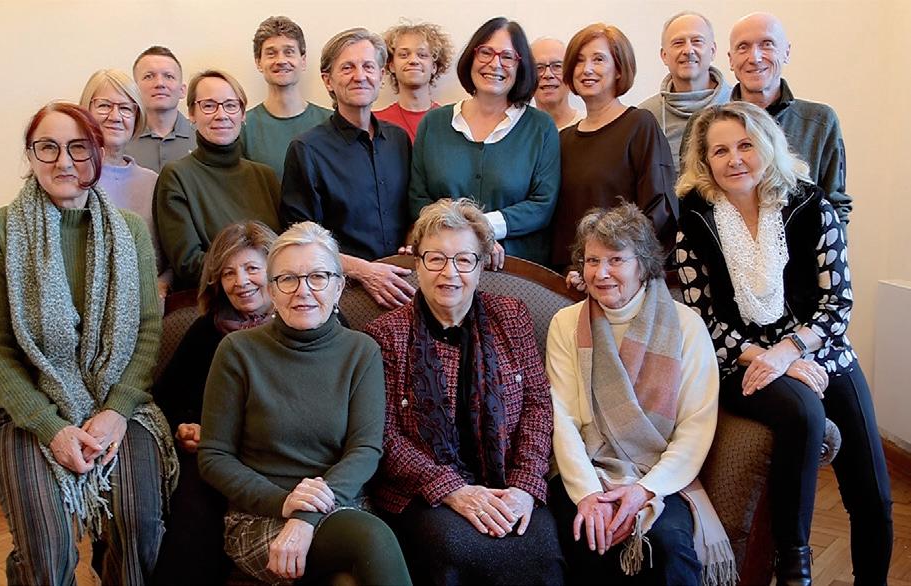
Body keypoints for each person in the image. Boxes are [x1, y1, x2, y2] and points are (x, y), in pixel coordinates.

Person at [675, 101, 892, 585]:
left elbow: (837, 303)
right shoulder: (693, 219)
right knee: (803, 411)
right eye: (720, 151)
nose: (735, 159)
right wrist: (772, 361)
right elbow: (702, 317)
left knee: (873, 492)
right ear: (704, 161)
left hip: (821, 351)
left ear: (768, 146)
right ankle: (794, 561)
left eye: (746, 145)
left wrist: (788, 353)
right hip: (740, 359)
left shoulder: (812, 206)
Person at [0, 102, 177, 585]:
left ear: (98, 153)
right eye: (48, 147)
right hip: (29, 410)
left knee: (140, 531)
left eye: (79, 148)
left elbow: (147, 330)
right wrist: (52, 428)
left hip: (117, 405)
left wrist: (117, 410)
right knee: (47, 550)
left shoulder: (130, 231)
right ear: (30, 155)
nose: (64, 161)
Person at [198, 222, 412, 585]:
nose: (303, 291)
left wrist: (305, 517)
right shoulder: (237, 351)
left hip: (343, 505)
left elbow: (365, 450)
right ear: (272, 289)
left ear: (338, 286)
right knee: (371, 540)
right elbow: (214, 457)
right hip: (260, 515)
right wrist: (286, 504)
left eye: (318, 277)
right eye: (288, 279)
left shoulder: (361, 351)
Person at [365, 199, 563, 585]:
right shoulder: (386, 335)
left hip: (508, 483)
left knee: (539, 548)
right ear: (417, 263)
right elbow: (384, 436)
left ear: (481, 265)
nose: (449, 273)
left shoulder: (512, 316)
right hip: (423, 492)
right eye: (435, 259)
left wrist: (525, 486)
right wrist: (452, 490)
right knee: (454, 547)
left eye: (464, 260)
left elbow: (538, 406)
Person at [547, 203, 733, 585]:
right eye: (592, 260)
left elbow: (695, 426)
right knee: (586, 536)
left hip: (659, 476)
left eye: (616, 260)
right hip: (586, 470)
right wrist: (587, 495)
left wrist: (644, 491)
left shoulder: (687, 326)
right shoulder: (565, 324)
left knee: (666, 548)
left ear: (643, 264)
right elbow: (562, 419)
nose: (601, 273)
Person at [151, 220, 277, 585]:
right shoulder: (206, 331)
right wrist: (184, 427)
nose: (241, 282)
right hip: (212, 454)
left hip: (280, 454)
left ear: (278, 269)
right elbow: (165, 400)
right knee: (190, 520)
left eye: (252, 268)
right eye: (228, 273)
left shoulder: (305, 322)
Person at [410, 17, 560, 267]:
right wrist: (467, 236)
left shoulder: (541, 127)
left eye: (507, 57)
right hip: (444, 266)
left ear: (520, 66)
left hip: (518, 270)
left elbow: (542, 204)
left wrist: (483, 229)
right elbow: (418, 198)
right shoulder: (433, 123)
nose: (495, 63)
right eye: (486, 52)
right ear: (472, 57)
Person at [281, 28, 414, 309]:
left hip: (405, 286)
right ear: (328, 80)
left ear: (381, 75)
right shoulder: (307, 149)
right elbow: (301, 242)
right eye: (347, 68)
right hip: (344, 292)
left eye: (368, 66)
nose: (360, 76)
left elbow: (412, 210)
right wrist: (364, 271)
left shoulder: (399, 140)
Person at [551, 23, 678, 270]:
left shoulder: (639, 125)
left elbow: (659, 208)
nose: (587, 69)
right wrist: (575, 269)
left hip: (626, 273)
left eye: (598, 59)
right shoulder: (563, 139)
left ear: (619, 69)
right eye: (579, 61)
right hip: (573, 276)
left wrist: (616, 262)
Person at [155, 69, 281, 291]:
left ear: (243, 114)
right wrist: (248, 278)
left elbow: (285, 250)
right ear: (192, 114)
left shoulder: (265, 176)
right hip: (213, 301)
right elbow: (188, 264)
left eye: (231, 105)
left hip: (272, 299)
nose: (221, 115)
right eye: (209, 105)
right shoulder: (176, 177)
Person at [727, 13, 851, 225]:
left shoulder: (820, 122)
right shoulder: (708, 126)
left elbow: (835, 204)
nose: (754, 57)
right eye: (743, 47)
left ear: (786, 52)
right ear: (731, 59)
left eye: (767, 44)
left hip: (805, 245)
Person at [79, 69, 173, 298]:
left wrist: (160, 287)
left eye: (125, 108)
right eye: (104, 106)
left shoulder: (152, 182)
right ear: (86, 111)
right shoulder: (71, 179)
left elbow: (170, 258)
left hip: (147, 304)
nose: (115, 116)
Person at [241, 16, 332, 180]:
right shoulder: (243, 127)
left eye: (289, 52)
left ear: (303, 61)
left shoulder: (331, 122)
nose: (281, 61)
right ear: (258, 62)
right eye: (271, 53)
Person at [638, 12, 732, 169]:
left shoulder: (740, 104)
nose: (688, 50)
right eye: (678, 43)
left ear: (713, 51)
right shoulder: (645, 117)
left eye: (697, 41)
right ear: (664, 55)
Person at [375, 21, 453, 142]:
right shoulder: (375, 123)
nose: (413, 61)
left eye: (422, 55)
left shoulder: (452, 122)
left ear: (434, 67)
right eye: (404, 55)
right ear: (391, 65)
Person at [127, 46, 196, 172]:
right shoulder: (121, 140)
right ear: (134, 90)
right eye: (149, 76)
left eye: (168, 76)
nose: (160, 83)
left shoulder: (203, 138)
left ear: (182, 90)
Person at [531, 37, 584, 130]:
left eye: (557, 66)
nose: (548, 74)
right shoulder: (516, 131)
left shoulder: (590, 128)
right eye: (539, 68)